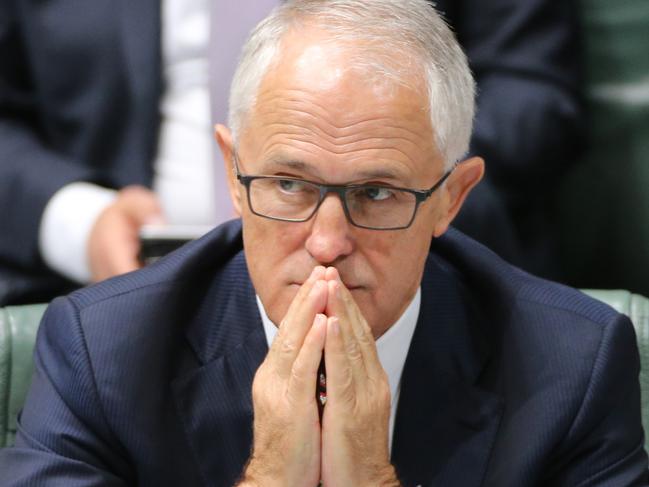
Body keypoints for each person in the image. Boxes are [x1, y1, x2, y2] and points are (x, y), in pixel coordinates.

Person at [0, 1, 641, 485]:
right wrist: (271, 475)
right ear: (233, 171)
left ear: (452, 197)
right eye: (288, 185)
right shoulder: (103, 352)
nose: (328, 243)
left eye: (378, 194)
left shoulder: (570, 367)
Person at [0, 0, 581, 306]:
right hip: (104, 276)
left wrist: (384, 191)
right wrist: (75, 218)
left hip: (412, 273)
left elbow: (533, 93)